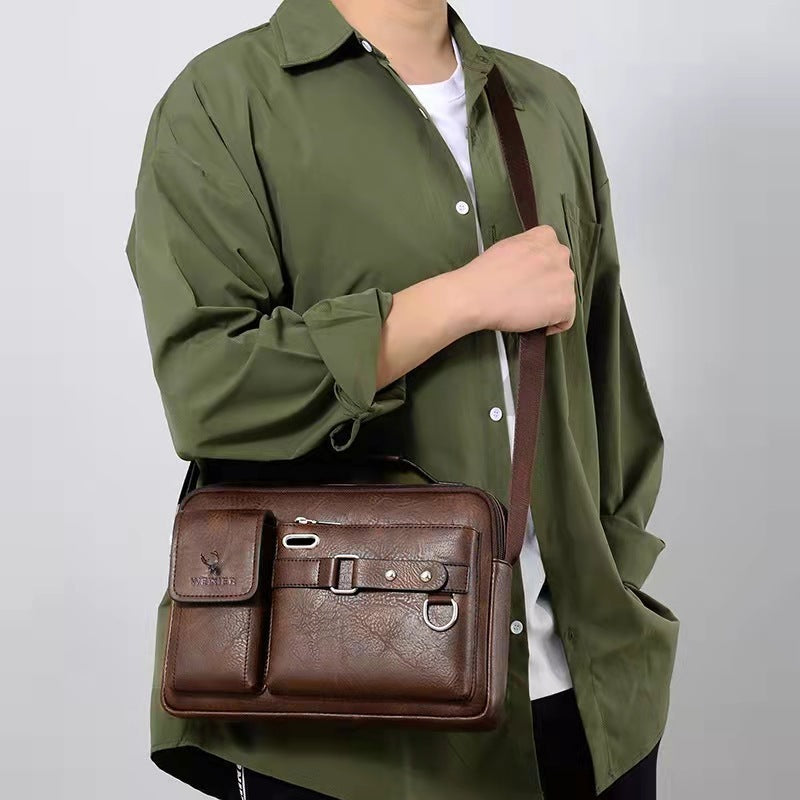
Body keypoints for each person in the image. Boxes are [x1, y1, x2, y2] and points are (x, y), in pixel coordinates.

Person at [124, 0, 680, 798]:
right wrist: (458, 301)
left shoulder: (546, 105)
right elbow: (209, 388)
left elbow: (608, 382)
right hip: (349, 731)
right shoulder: (224, 101)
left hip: (589, 706)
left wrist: (613, 572)